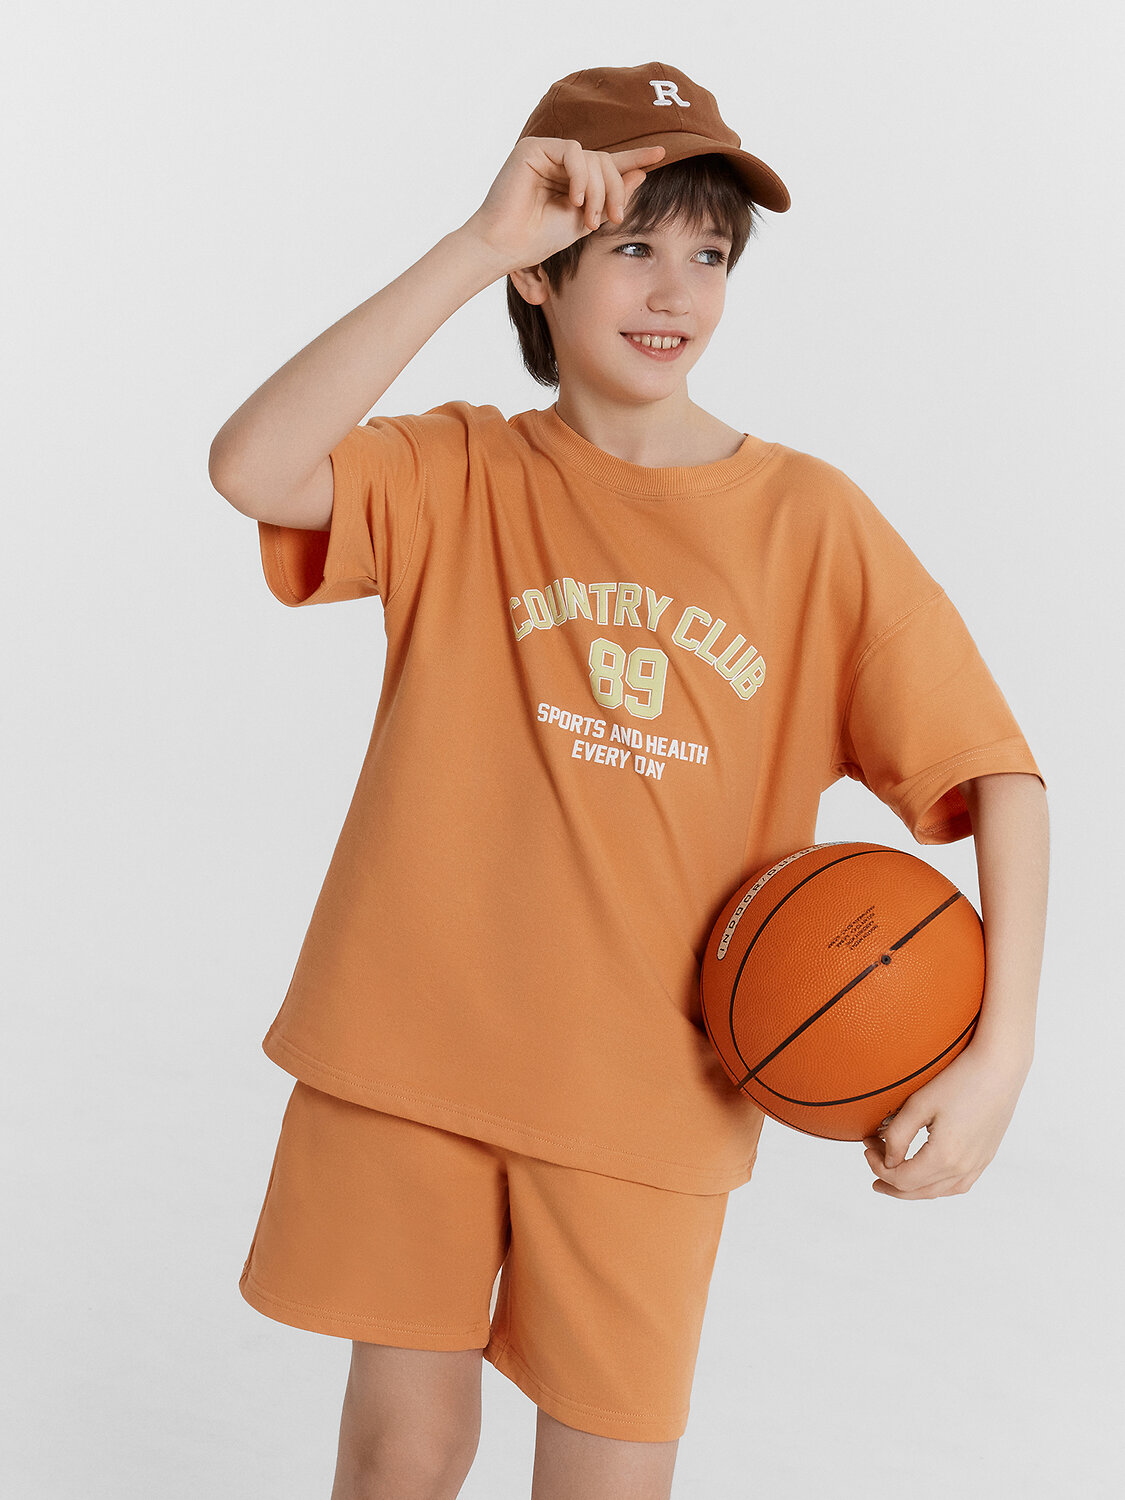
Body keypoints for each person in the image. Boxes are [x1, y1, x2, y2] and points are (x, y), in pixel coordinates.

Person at [209, 61, 1050, 1500]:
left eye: (709, 255)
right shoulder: (462, 470)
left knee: (609, 1478)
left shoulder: (807, 523)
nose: (675, 291)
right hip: (411, 1048)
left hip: (650, 1091)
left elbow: (1000, 773)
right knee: (401, 1451)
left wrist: (1003, 1053)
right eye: (632, 246)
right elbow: (253, 466)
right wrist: (476, 243)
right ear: (544, 273)